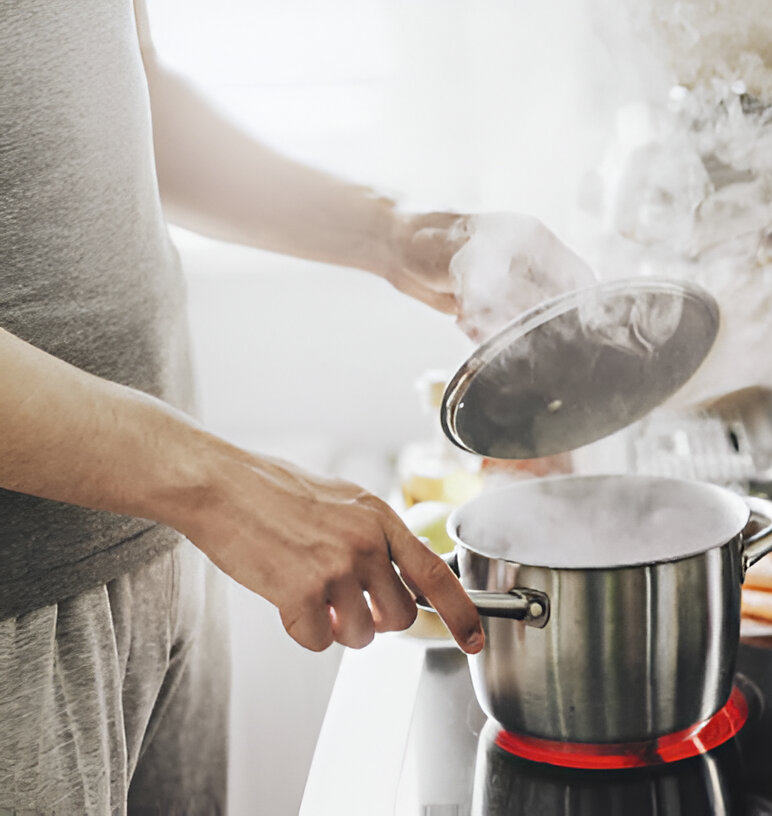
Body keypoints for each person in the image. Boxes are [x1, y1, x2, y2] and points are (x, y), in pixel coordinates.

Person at [0, 1, 591, 812]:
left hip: (157, 541)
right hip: (20, 603)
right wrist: (215, 484)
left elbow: (126, 91)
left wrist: (386, 232)